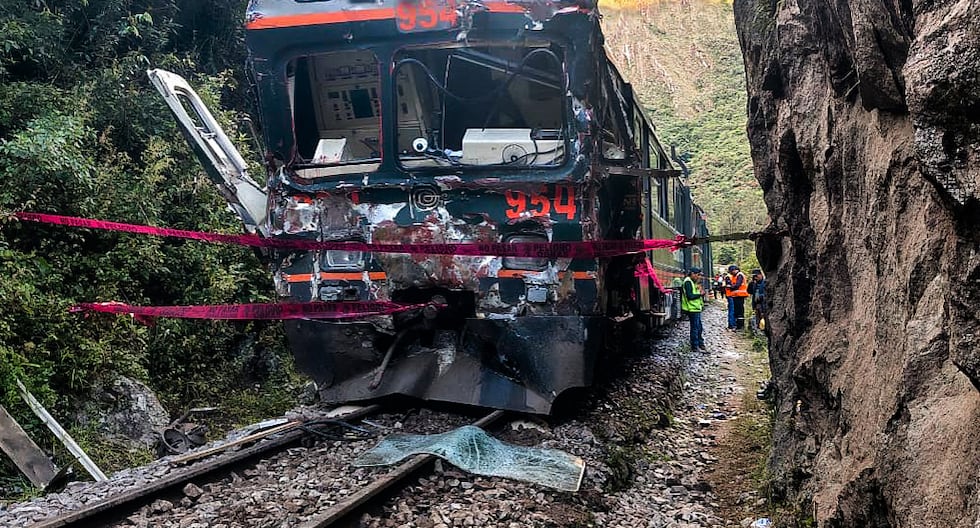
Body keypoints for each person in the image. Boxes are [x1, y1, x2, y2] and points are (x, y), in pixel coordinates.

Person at [681, 267, 706, 352]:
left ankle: (700, 344)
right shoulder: (688, 282)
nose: (698, 277)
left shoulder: (692, 282)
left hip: (695, 308)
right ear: (692, 274)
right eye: (698, 275)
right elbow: (690, 296)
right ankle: (695, 346)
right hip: (692, 308)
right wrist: (700, 294)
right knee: (695, 328)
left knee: (699, 327)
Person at [725, 264, 750, 329]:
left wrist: (730, 286)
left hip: (740, 295)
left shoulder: (739, 275)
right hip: (736, 296)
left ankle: (740, 326)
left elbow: (737, 285)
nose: (731, 273)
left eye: (731, 271)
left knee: (739, 311)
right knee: (737, 311)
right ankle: (738, 325)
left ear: (734, 270)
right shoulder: (735, 276)